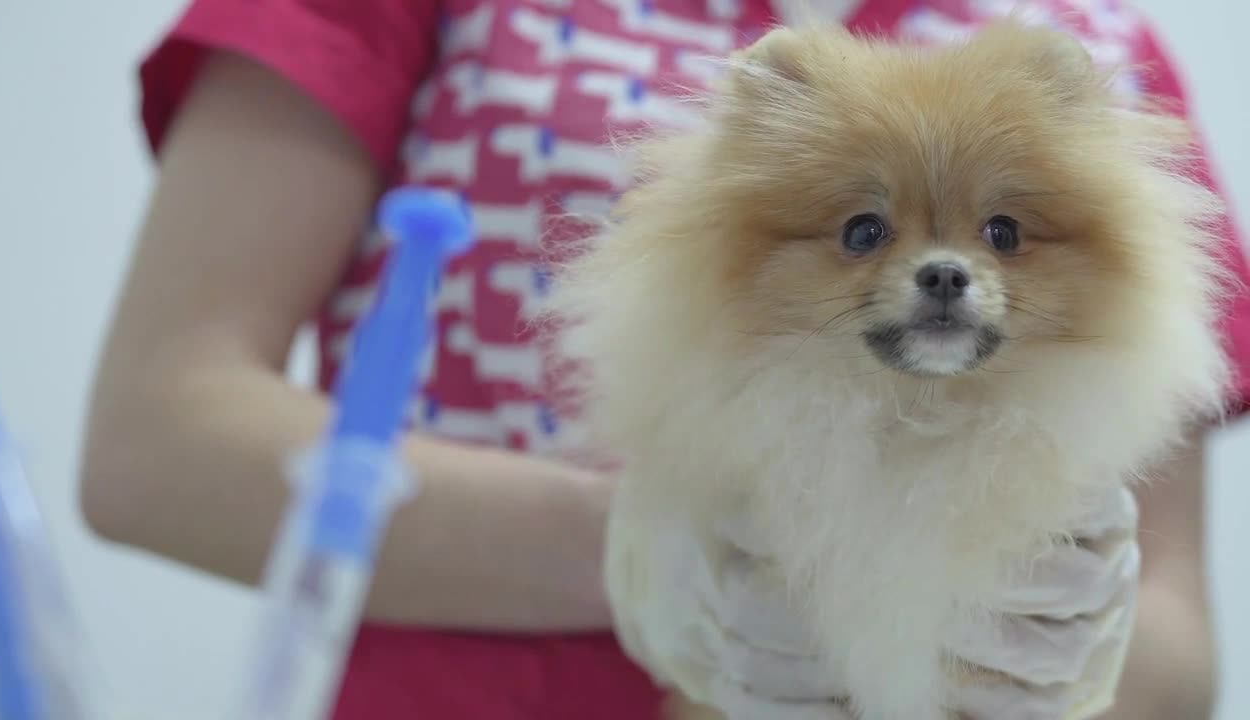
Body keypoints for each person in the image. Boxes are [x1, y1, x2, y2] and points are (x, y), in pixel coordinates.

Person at [79, 0, 1249, 718]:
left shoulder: (1093, 37)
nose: (946, 269)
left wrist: (1061, 662)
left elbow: (1176, 633)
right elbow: (155, 438)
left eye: (997, 235)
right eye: (861, 233)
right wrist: (653, 554)